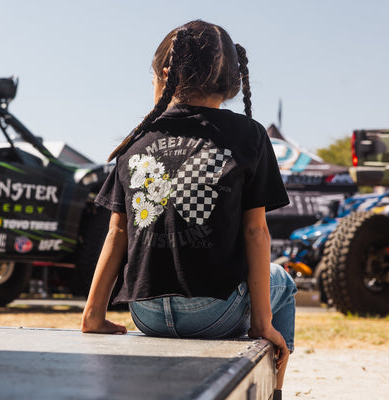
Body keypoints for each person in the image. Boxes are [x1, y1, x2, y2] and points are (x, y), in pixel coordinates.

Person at [81, 20, 296, 399]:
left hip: (144, 313)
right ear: (232, 82)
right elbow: (255, 232)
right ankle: (272, 388)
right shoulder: (249, 134)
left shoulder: (137, 141)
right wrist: (262, 323)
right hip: (213, 314)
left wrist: (93, 316)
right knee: (284, 281)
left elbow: (117, 233)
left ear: (164, 75)